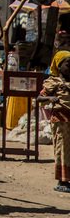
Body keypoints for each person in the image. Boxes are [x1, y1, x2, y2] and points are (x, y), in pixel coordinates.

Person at [41, 50, 70, 194]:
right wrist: (51, 99)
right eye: (68, 64)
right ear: (59, 66)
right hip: (60, 121)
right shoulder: (53, 82)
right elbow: (39, 98)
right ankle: (62, 180)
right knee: (62, 149)